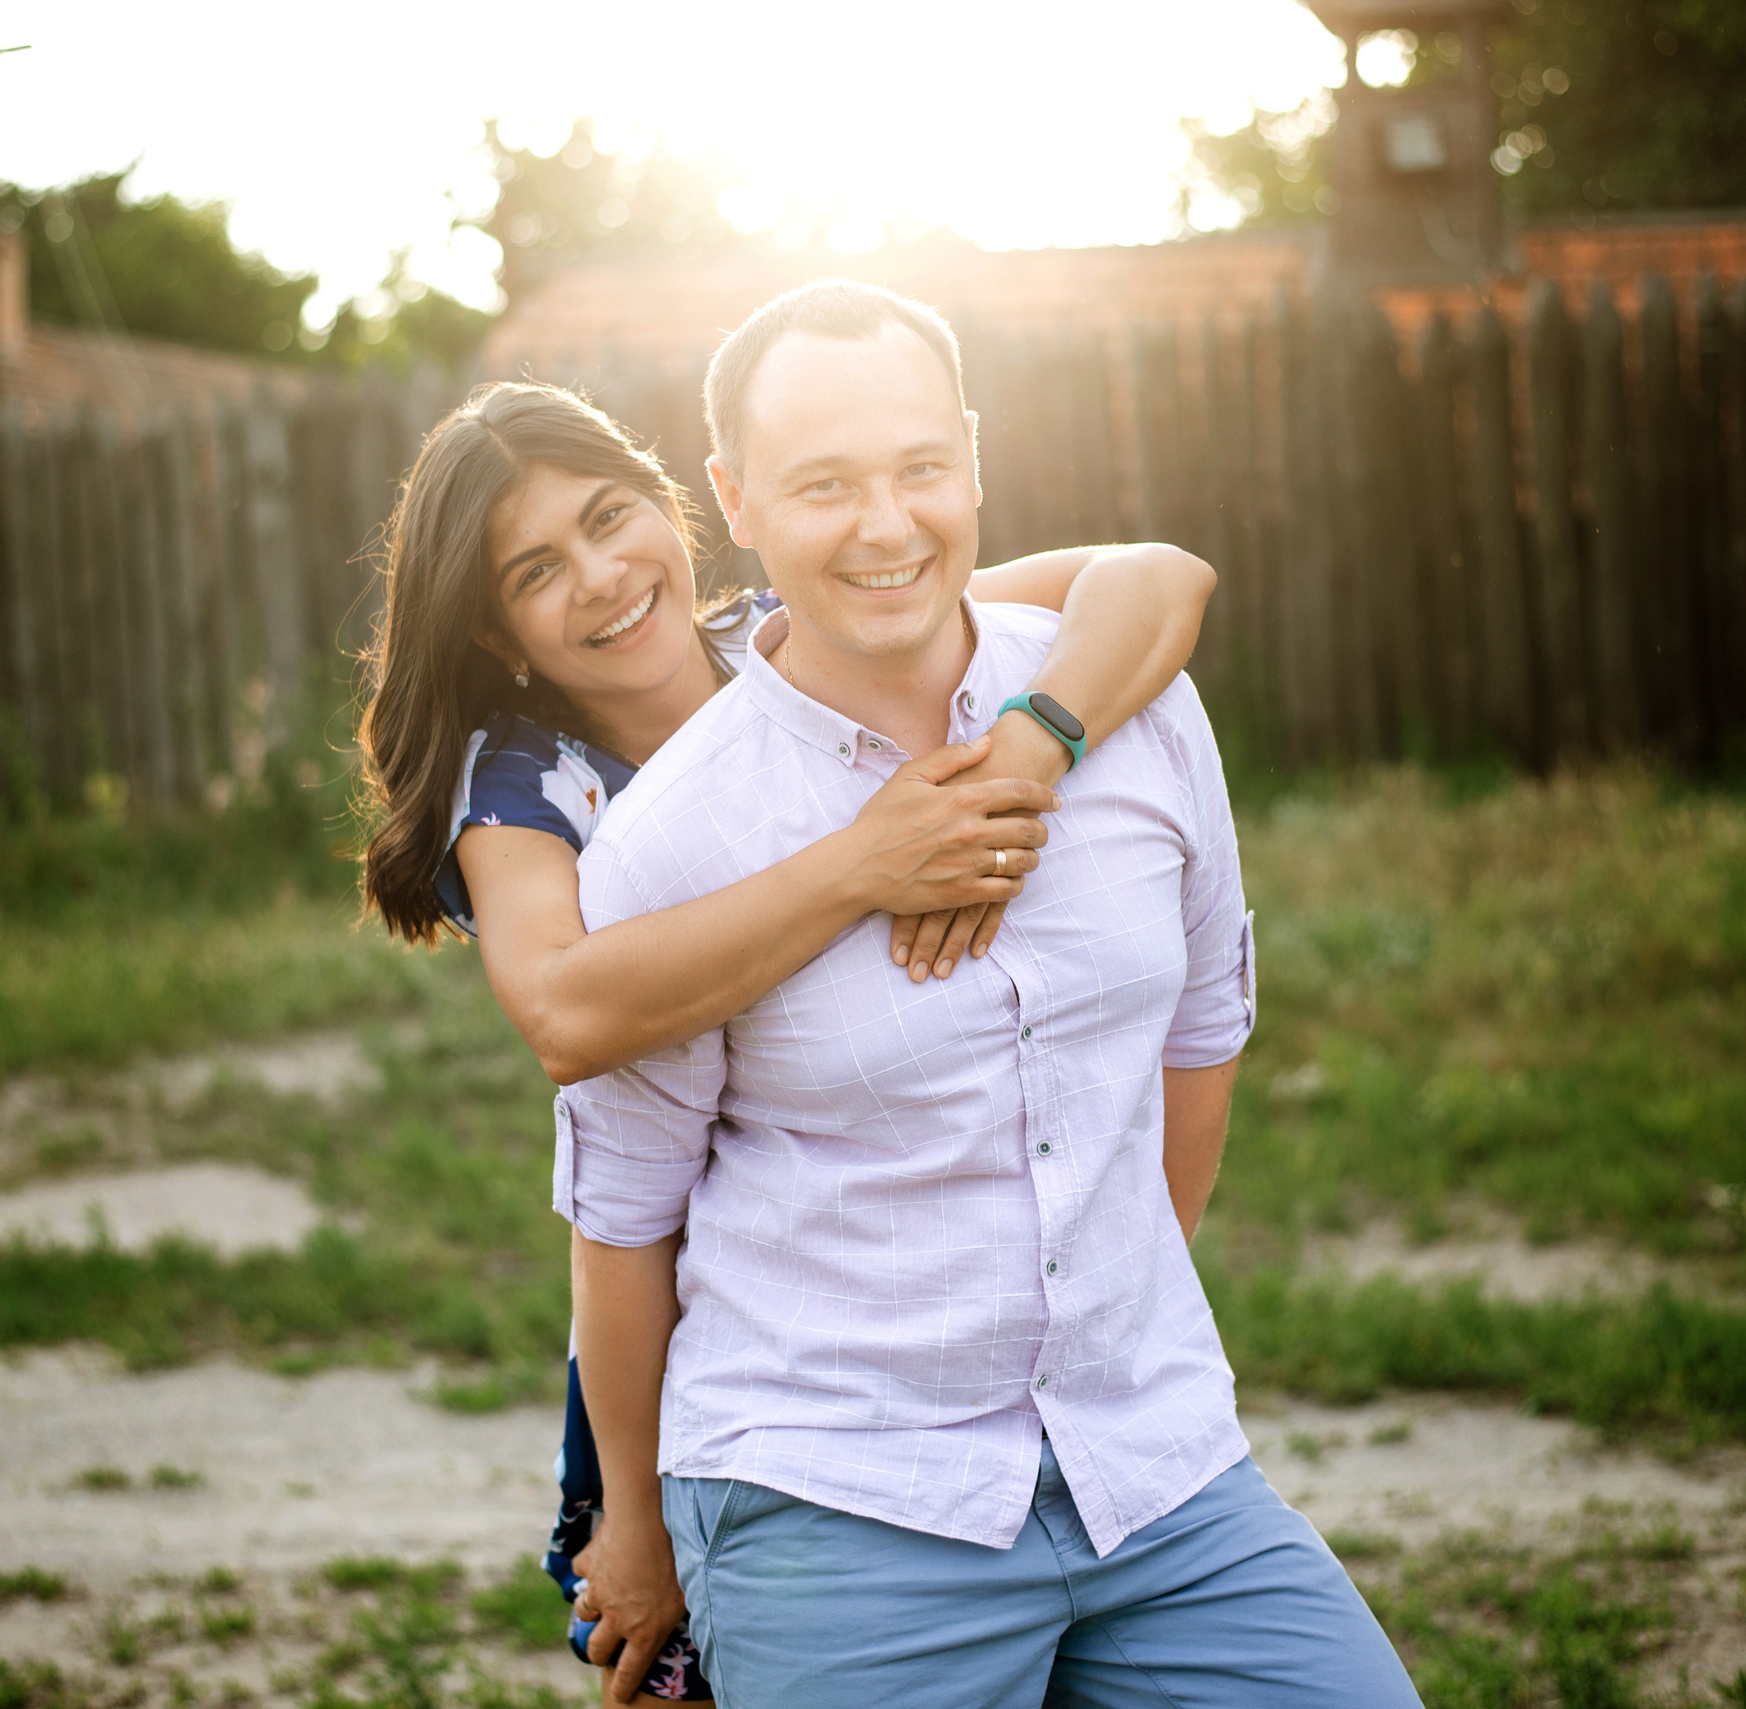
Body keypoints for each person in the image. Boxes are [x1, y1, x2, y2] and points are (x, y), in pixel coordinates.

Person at [557, 282, 1426, 1709]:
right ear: (736, 500)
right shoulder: (675, 839)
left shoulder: (1136, 708)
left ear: (974, 456)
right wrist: (638, 1527)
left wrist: (1103, 1326)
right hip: (837, 1495)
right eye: (824, 485)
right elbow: (624, 1219)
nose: (886, 524)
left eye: (919, 466)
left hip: (1152, 1473)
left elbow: (1198, 1040)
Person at [355, 379, 1218, 1702]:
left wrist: (1029, 750)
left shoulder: (788, 629)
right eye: (538, 569)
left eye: (609, 517)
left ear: (676, 502)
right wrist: (865, 862)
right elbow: (568, 1013)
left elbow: (1153, 577)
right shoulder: (523, 783)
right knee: (681, 1667)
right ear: (496, 631)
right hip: (686, 1302)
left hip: (909, 1273)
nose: (600, 576)